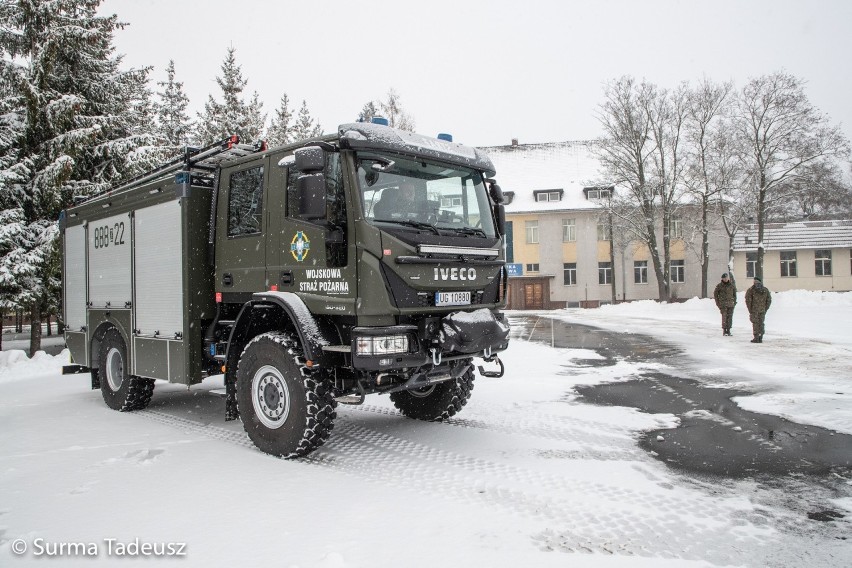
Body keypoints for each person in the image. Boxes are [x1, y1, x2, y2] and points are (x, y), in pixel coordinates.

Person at [745, 276, 772, 343]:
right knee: (761, 323)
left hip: (754, 310)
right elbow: (768, 300)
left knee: (755, 323)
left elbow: (748, 301)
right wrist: (765, 308)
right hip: (762, 310)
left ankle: (756, 337)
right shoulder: (765, 289)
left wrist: (750, 309)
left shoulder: (751, 290)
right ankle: (760, 337)